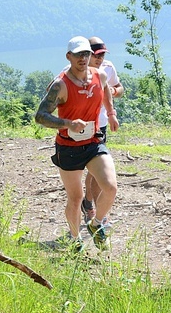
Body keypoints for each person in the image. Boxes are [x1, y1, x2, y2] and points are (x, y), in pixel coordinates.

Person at [35, 36, 119, 252]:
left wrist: (110, 113)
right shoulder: (60, 85)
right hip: (68, 146)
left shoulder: (99, 75)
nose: (83, 58)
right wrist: (68, 124)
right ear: (68, 57)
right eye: (78, 54)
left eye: (86, 54)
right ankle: (74, 239)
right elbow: (41, 116)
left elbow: (107, 90)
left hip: (93, 141)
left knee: (110, 187)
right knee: (76, 197)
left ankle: (96, 223)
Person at [80, 36, 125, 224]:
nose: (100, 58)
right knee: (86, 169)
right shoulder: (77, 70)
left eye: (102, 54)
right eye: (96, 55)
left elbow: (119, 88)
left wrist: (111, 93)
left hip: (101, 125)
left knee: (96, 170)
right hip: (81, 126)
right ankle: (85, 204)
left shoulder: (108, 67)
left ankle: (93, 207)